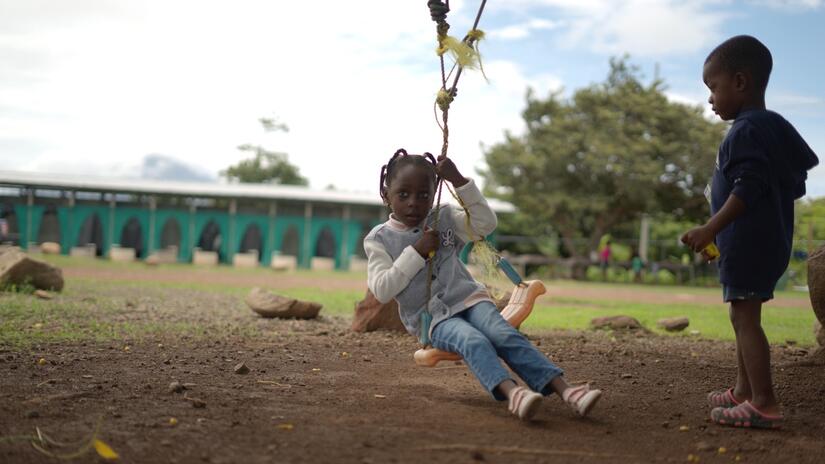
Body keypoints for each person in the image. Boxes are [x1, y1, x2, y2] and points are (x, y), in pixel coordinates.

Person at [364, 148, 602, 421]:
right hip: (434, 320)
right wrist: (416, 252)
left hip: (469, 299)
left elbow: (485, 224)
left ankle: (569, 391)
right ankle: (514, 394)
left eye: (424, 195)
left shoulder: (444, 217)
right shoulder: (378, 239)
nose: (414, 203)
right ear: (386, 194)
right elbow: (382, 290)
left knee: (502, 333)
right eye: (403, 194)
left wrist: (459, 181)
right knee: (472, 340)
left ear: (434, 192)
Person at [681, 35, 819, 429]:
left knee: (746, 321)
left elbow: (748, 186)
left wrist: (710, 227)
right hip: (766, 241)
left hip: (747, 243)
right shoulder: (771, 127)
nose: (710, 99)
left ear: (740, 82)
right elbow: (792, 184)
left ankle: (764, 403)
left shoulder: (744, 131)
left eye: (713, 87)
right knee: (742, 316)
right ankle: (743, 391)